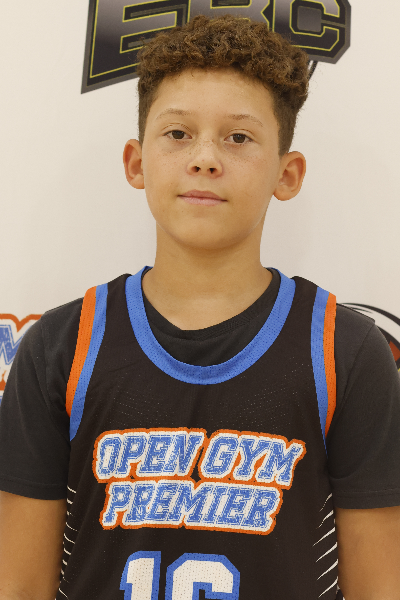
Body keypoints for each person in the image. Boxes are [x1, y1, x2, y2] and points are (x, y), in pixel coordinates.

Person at [0, 14, 399, 600]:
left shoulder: (345, 352)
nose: (205, 158)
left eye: (238, 138)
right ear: (137, 163)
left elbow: (379, 586)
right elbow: (19, 585)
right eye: (178, 133)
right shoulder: (62, 348)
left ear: (287, 174)